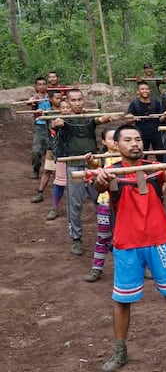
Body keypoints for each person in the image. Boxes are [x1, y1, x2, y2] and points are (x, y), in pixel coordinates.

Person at [91, 125, 166, 372]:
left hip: (159, 242)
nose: (134, 143)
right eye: (127, 140)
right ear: (116, 145)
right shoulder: (110, 173)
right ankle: (120, 351)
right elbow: (99, 186)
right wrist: (99, 178)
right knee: (122, 301)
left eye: (138, 139)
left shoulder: (155, 169)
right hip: (126, 244)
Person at [50, 89, 119, 255]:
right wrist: (56, 124)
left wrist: (108, 117)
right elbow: (56, 124)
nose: (77, 103)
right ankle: (76, 238)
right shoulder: (64, 119)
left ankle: (111, 236)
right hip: (74, 165)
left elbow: (99, 119)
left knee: (102, 200)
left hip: (93, 165)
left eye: (80, 99)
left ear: (84, 100)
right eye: (73, 100)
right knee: (75, 204)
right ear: (68, 102)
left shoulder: (88, 118)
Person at [84, 126, 120, 283]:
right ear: (104, 141)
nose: (115, 142)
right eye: (111, 138)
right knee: (104, 236)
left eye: (118, 138)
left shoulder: (128, 158)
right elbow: (94, 165)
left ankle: (142, 267)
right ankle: (96, 268)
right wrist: (91, 162)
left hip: (124, 203)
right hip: (105, 203)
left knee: (130, 236)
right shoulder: (103, 158)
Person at [45, 94, 70, 221]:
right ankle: (54, 208)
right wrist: (58, 124)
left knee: (86, 181)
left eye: (68, 107)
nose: (66, 110)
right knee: (59, 182)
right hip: (62, 154)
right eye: (63, 108)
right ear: (59, 109)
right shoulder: (56, 121)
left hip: (78, 154)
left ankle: (97, 205)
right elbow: (55, 126)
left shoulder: (79, 119)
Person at [125, 82, 163, 154]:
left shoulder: (156, 102)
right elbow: (128, 120)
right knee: (142, 154)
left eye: (147, 89)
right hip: (141, 133)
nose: (145, 91)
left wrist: (164, 116)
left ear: (150, 91)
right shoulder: (134, 103)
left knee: (160, 154)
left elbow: (161, 118)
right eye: (142, 89)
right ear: (138, 91)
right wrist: (133, 118)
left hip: (156, 132)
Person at [29, 77, 52, 187]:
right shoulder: (35, 98)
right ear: (36, 86)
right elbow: (29, 103)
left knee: (53, 148)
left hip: (52, 126)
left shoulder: (51, 97)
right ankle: (36, 169)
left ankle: (52, 171)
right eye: (39, 84)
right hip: (40, 127)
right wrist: (33, 104)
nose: (42, 86)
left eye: (44, 84)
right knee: (37, 151)